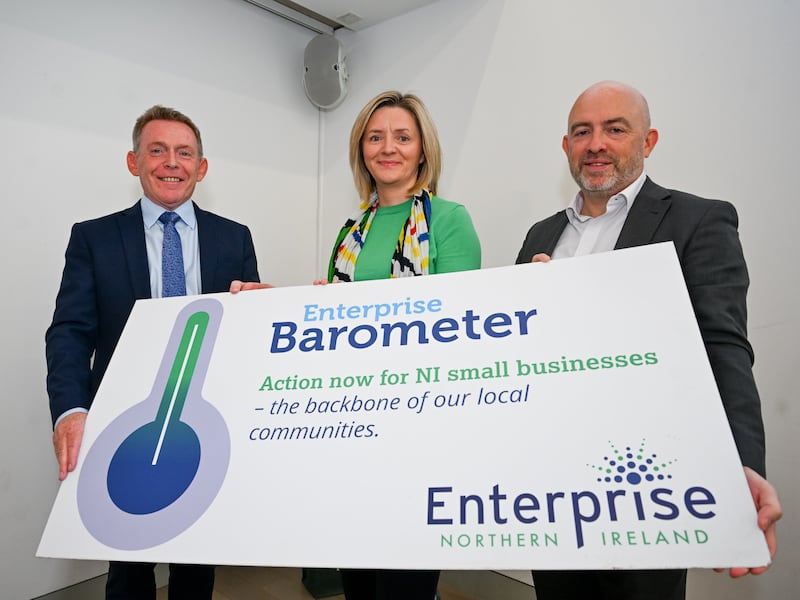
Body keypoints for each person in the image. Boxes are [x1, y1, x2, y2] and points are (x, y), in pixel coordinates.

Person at [515, 80, 782, 600]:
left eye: (616, 129)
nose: (596, 144)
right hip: (552, 477)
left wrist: (742, 463)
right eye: (582, 131)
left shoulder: (698, 219)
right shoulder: (539, 235)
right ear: (566, 146)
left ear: (648, 141)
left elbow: (722, 345)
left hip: (649, 477)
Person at [232, 90, 481, 599]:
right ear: (361, 151)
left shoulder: (451, 220)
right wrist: (275, 305)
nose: (388, 147)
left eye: (402, 137)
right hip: (352, 428)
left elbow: (457, 323)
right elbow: (333, 325)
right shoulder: (350, 232)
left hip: (419, 427)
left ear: (423, 150)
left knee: (406, 583)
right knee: (359, 579)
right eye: (375, 137)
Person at [46, 105, 261, 600]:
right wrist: (71, 410)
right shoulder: (93, 238)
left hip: (208, 419)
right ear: (133, 161)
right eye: (157, 150)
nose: (171, 162)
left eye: (184, 153)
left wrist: (263, 311)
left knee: (196, 558)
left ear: (201, 168)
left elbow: (243, 333)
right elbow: (70, 332)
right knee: (127, 563)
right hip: (119, 421)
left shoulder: (234, 237)